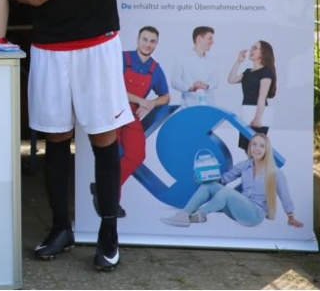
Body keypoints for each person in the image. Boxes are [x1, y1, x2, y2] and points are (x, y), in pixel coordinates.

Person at [9, 0, 165, 272]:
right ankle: (61, 228)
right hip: (48, 47)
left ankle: (108, 234)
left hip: (98, 44)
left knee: (103, 137)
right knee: (56, 138)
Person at [161, 133, 303, 229]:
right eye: (254, 144)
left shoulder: (275, 172)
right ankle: (184, 214)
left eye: (261, 146)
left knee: (227, 193)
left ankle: (200, 214)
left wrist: (291, 217)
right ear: (250, 147)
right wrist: (203, 174)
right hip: (237, 210)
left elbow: (285, 195)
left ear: (267, 149)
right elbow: (223, 180)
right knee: (209, 185)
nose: (257, 148)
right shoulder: (245, 165)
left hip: (254, 215)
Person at [108, 25, 170, 217]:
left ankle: (105, 188)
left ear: (156, 44)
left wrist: (152, 103)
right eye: (145, 39)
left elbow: (166, 96)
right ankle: (112, 203)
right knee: (113, 157)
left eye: (152, 41)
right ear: (137, 40)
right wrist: (142, 100)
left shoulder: (155, 69)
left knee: (136, 154)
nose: (148, 44)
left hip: (131, 116)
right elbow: (113, 87)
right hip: (112, 113)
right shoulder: (122, 58)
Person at [227, 40, 277, 152]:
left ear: (263, 53)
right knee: (247, 148)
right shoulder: (248, 72)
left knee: (256, 149)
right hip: (247, 114)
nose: (251, 50)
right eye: (251, 47)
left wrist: (257, 118)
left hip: (258, 114)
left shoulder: (266, 72)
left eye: (255, 48)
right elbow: (231, 79)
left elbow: (262, 97)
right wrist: (238, 61)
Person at [172, 26, 220, 106]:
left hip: (209, 106)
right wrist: (190, 88)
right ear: (199, 39)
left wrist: (206, 85)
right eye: (210, 38)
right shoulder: (181, 58)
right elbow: (175, 81)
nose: (212, 42)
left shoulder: (212, 61)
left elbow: (216, 82)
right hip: (189, 106)